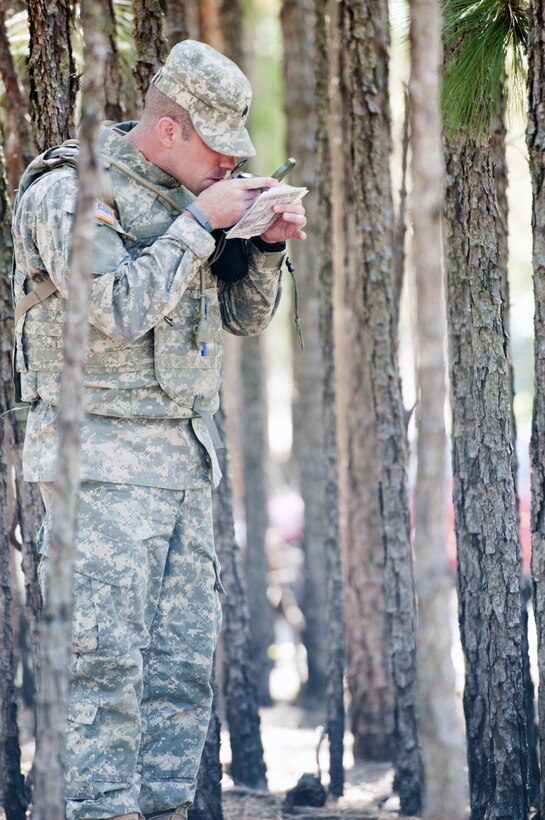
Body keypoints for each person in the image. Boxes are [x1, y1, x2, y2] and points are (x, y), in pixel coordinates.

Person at [11, 40, 306, 820]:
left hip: (181, 463)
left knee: (177, 670)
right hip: (98, 463)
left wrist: (264, 248)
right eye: (219, 149)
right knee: (99, 667)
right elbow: (111, 311)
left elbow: (239, 320)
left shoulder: (187, 197)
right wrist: (198, 226)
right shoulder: (71, 189)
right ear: (170, 128)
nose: (228, 165)